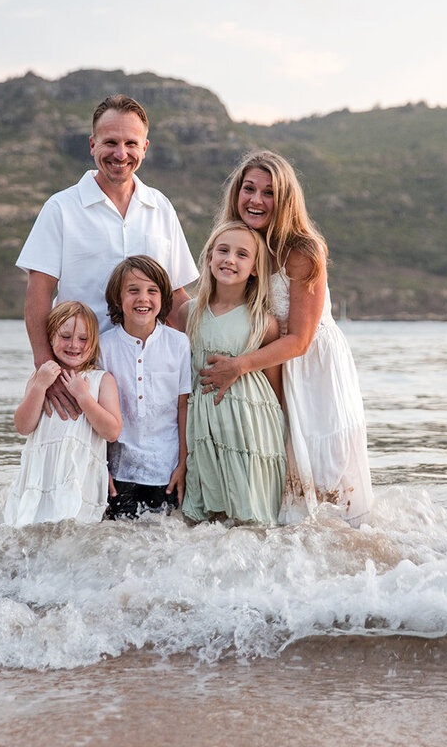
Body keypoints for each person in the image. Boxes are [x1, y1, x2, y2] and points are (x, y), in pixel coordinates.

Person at [200, 151, 374, 527]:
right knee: (281, 485)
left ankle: (349, 563)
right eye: (249, 189)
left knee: (326, 485)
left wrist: (238, 366)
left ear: (286, 199)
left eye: (269, 192)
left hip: (311, 369)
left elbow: (299, 340)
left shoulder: (302, 250)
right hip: (268, 368)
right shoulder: (239, 245)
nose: (256, 200)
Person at [16, 94, 198, 418]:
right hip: (82, 376)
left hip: (150, 377)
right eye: (110, 142)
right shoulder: (60, 208)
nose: (120, 153)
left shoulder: (161, 208)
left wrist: (220, 336)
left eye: (131, 143)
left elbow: (175, 297)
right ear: (92, 144)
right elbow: (39, 293)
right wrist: (47, 368)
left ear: (145, 147)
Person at [179, 221, 286, 527]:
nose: (230, 259)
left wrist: (284, 435)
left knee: (251, 520)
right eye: (223, 250)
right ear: (209, 256)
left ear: (254, 268)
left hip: (251, 429)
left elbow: (274, 385)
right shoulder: (188, 313)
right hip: (204, 429)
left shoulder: (263, 322)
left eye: (242, 254)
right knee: (204, 520)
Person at [2, 301, 122, 526]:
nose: (74, 345)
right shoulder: (42, 378)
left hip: (77, 481)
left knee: (72, 532)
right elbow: (23, 426)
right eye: (65, 336)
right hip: (39, 479)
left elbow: (112, 431)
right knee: (26, 530)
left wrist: (84, 397)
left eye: (83, 339)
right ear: (50, 338)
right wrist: (39, 387)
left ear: (94, 342)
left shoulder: (100, 380)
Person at [99, 255, 191, 519]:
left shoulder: (179, 344)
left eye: (152, 291)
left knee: (165, 543)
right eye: (133, 290)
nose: (143, 298)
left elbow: (184, 406)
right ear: (118, 298)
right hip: (118, 472)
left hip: (166, 469)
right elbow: (97, 415)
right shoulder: (104, 347)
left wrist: (183, 464)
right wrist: (99, 465)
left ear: (162, 298)